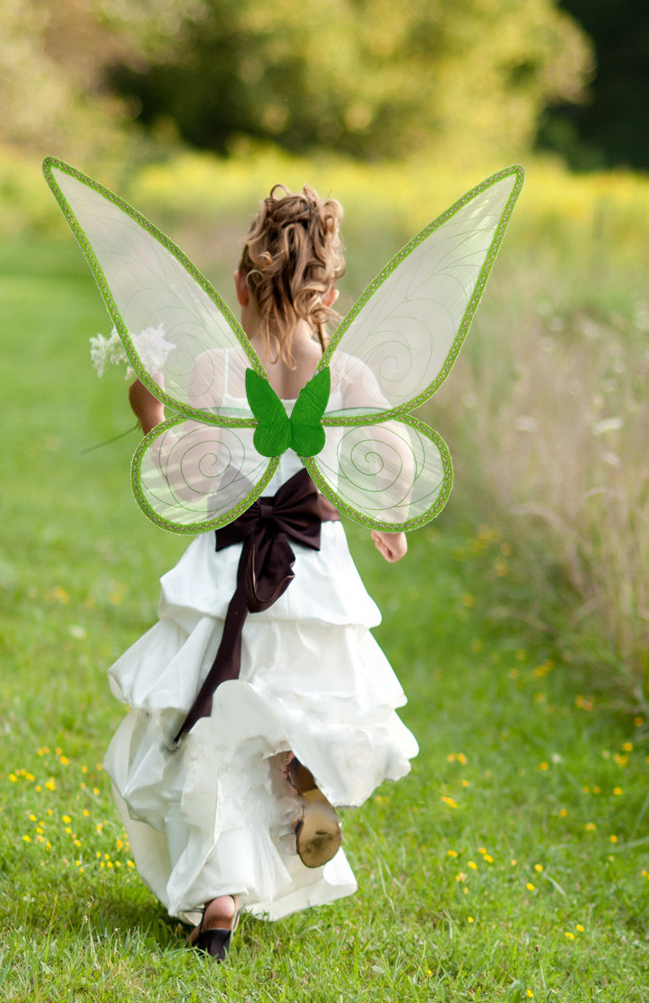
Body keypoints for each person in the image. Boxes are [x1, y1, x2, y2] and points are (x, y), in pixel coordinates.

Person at [103, 185, 419, 961]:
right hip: (312, 571)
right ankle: (300, 776)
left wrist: (147, 403)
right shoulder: (342, 377)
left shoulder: (216, 367)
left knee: (207, 731)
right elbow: (396, 461)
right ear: (330, 295)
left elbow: (179, 470)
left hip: (228, 568)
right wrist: (386, 516)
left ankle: (217, 898)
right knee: (291, 707)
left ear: (241, 285)